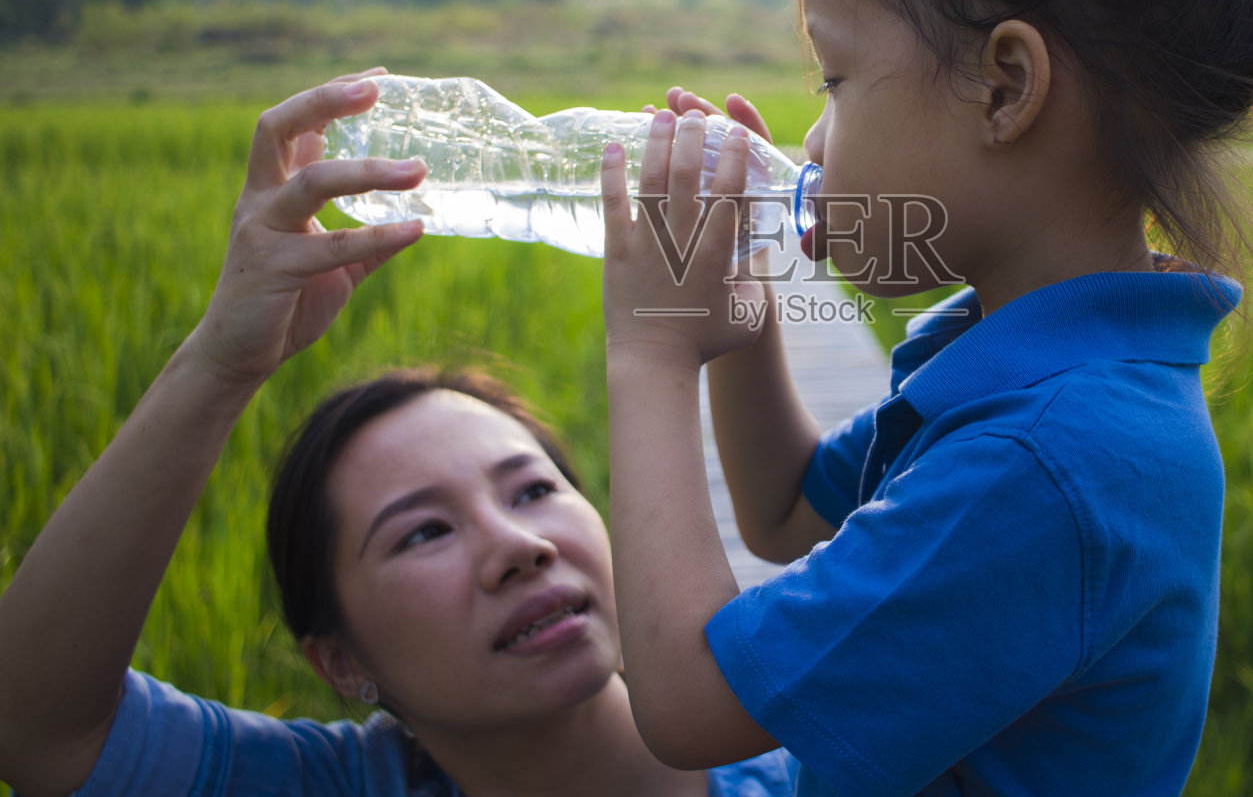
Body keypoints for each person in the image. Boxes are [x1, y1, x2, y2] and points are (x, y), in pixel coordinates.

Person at [597, 0, 1253, 797]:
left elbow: (685, 700)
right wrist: (744, 302)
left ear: (1005, 88)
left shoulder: (1045, 459)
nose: (810, 135)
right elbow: (786, 508)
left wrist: (650, 348)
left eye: (835, 81)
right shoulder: (1020, 357)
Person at [0, 70, 797, 797]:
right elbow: (36, 729)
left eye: (533, 489)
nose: (519, 545)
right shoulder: (339, 785)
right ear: (340, 661)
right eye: (423, 532)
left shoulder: (826, 754)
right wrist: (220, 363)